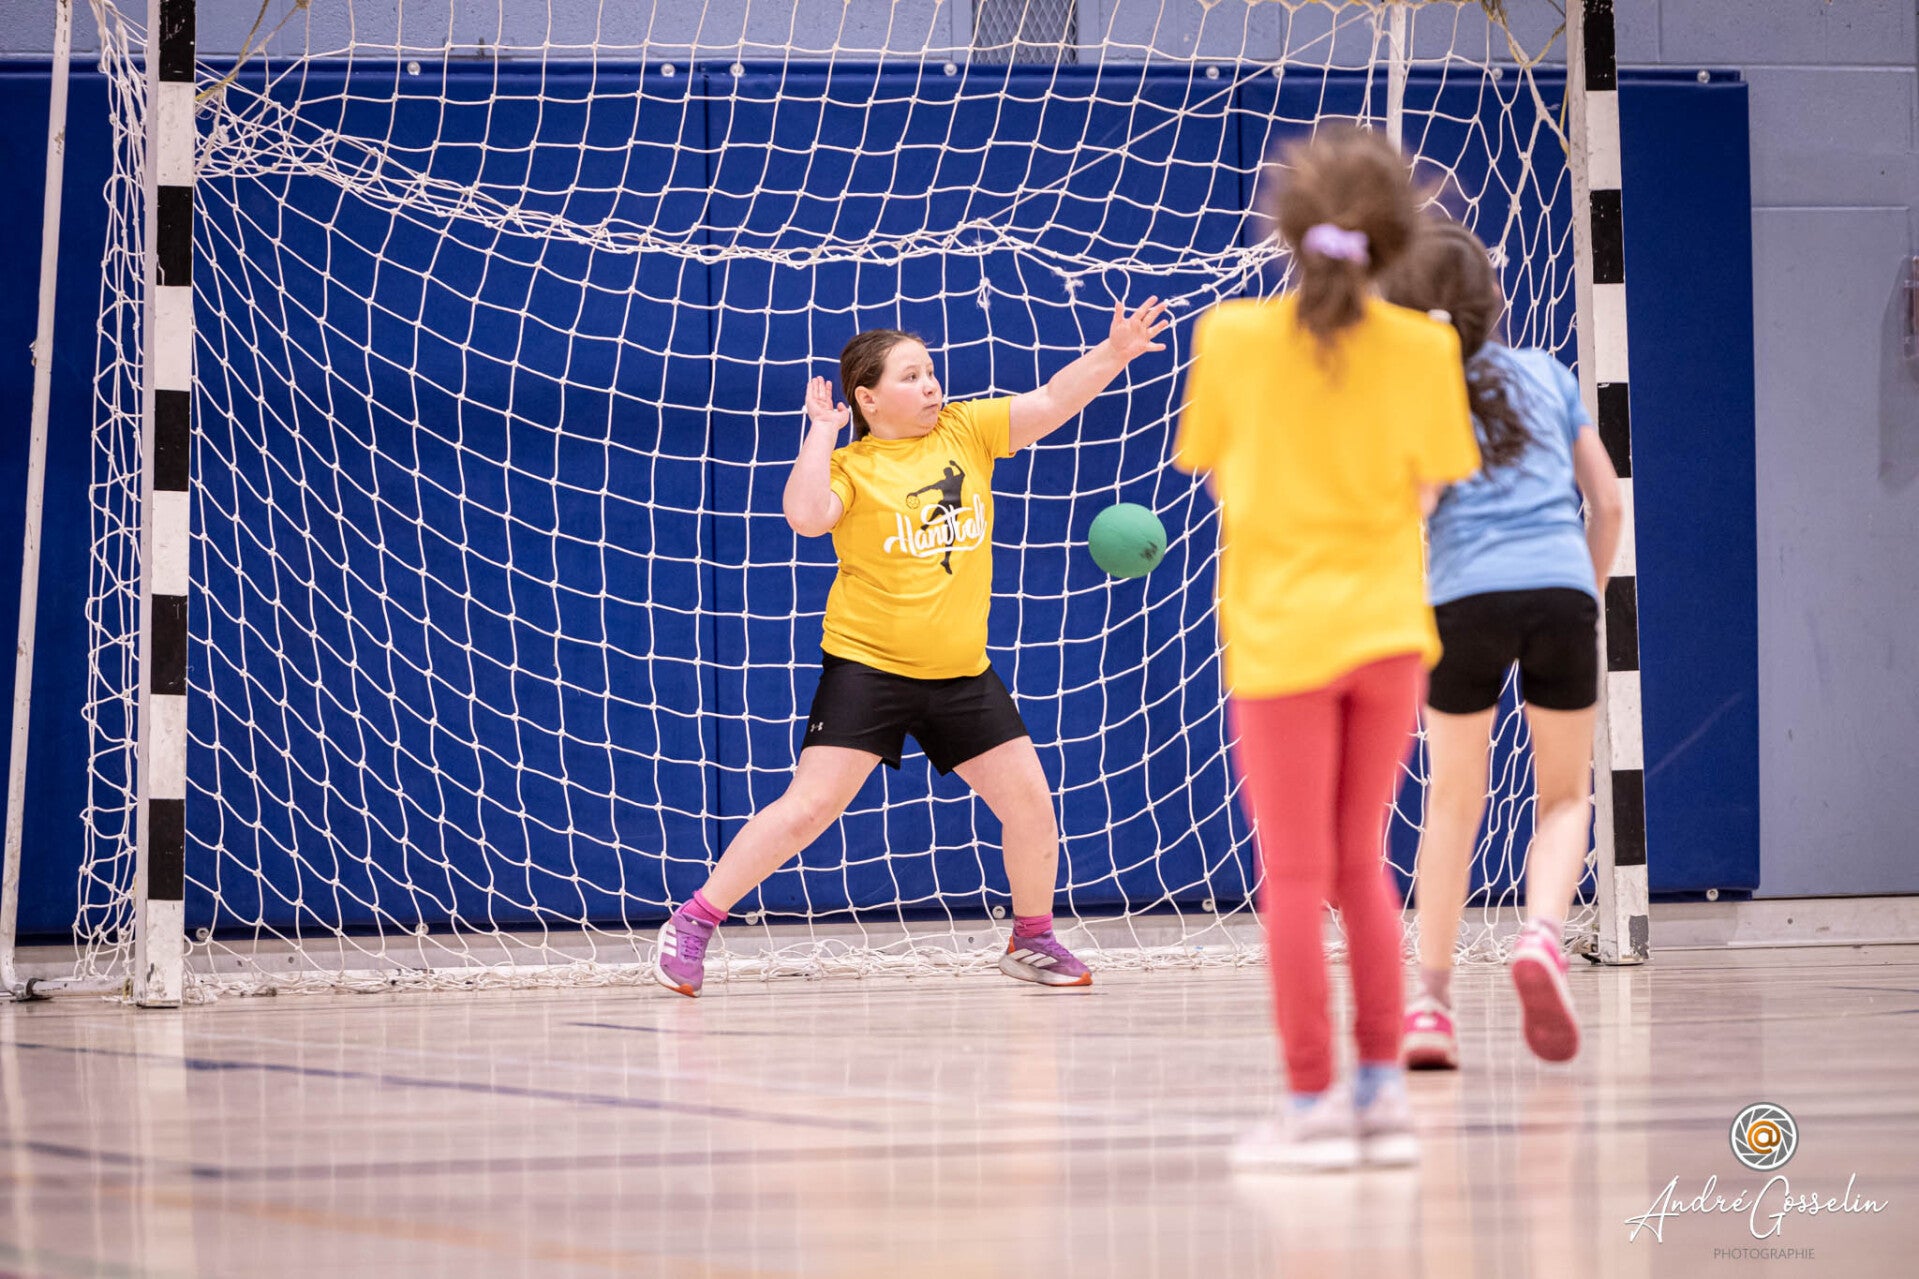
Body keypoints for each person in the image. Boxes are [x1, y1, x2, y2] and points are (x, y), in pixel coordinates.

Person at [654, 301, 1170, 997]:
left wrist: (1114, 352)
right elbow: (805, 517)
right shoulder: (853, 466)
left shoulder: (965, 428)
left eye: (930, 372)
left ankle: (1032, 939)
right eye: (910, 376)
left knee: (1029, 804)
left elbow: (1051, 401)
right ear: (867, 398)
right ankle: (692, 922)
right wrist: (821, 432)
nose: (931, 385)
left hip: (960, 673)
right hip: (870, 668)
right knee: (808, 809)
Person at [1173, 124, 1480, 1171]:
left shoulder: (1230, 337)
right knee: (1362, 864)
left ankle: (1310, 1103)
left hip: (1280, 636)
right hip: (1388, 630)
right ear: (1396, 234)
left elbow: (1222, 477)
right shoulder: (1425, 348)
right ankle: (1381, 1097)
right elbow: (1427, 491)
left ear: (1287, 225)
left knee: (1295, 875)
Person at [1380, 218, 1623, 1068]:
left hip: (1463, 601)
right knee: (1563, 796)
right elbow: (1609, 502)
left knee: (1452, 800)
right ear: (1494, 296)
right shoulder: (1548, 374)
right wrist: (1584, 595)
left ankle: (1430, 1006)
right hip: (1561, 592)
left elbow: (1409, 511)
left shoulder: (1415, 397)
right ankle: (1540, 935)